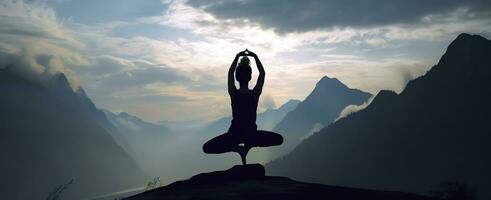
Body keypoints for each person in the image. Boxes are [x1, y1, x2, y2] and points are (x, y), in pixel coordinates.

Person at [203, 49, 283, 165]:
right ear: (250, 77)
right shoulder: (254, 94)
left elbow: (230, 74)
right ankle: (248, 145)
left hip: (234, 135)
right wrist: (255, 56)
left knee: (207, 147)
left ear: (237, 78)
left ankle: (236, 148)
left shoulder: (234, 94)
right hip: (251, 135)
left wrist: (237, 56)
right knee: (278, 139)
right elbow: (262, 74)